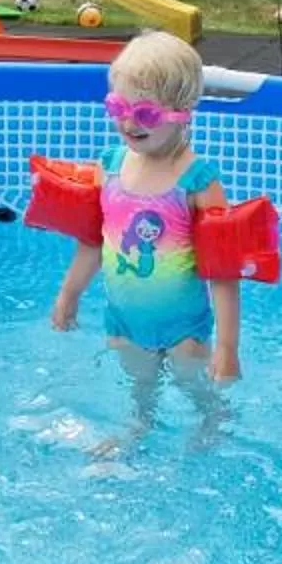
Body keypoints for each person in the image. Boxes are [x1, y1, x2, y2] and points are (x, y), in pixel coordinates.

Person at [47, 32, 244, 395]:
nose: (128, 123)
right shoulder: (109, 168)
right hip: (124, 323)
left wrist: (228, 349)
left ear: (182, 112)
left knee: (197, 392)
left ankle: (210, 426)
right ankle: (138, 428)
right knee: (138, 391)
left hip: (184, 328)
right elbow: (92, 243)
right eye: (118, 108)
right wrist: (68, 295)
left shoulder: (198, 182)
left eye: (145, 113)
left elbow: (223, 273)